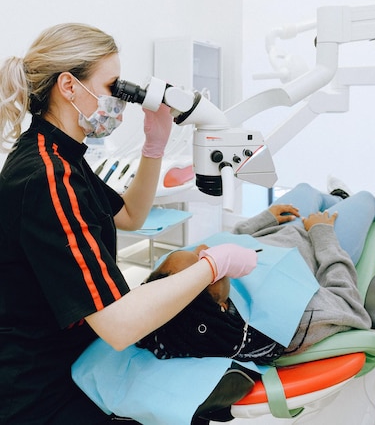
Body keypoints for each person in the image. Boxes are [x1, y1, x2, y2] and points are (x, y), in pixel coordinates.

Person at [0, 23, 256, 425]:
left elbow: (131, 215)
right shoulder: (48, 174)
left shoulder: (63, 154)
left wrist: (154, 147)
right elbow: (118, 326)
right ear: (69, 87)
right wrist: (213, 265)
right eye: (114, 87)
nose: (120, 101)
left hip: (81, 354)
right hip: (41, 387)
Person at [139, 177, 375, 364]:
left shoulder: (200, 287)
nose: (206, 248)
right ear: (220, 305)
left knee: (304, 190)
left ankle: (337, 200)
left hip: (278, 229)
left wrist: (263, 219)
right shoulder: (287, 321)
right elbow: (348, 305)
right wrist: (323, 233)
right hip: (320, 242)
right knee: (364, 199)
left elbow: (227, 241)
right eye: (206, 260)